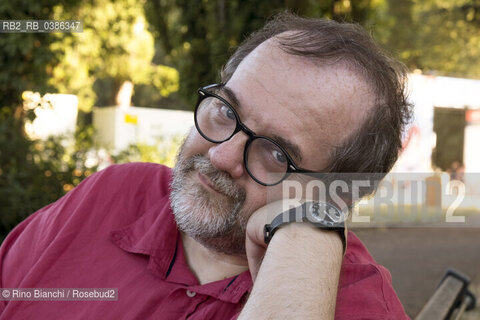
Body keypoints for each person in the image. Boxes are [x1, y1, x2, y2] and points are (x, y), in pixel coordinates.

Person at [0, 13, 411, 319]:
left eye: (276, 153)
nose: (221, 155)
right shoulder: (115, 194)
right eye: (227, 110)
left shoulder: (358, 304)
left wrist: (310, 238)